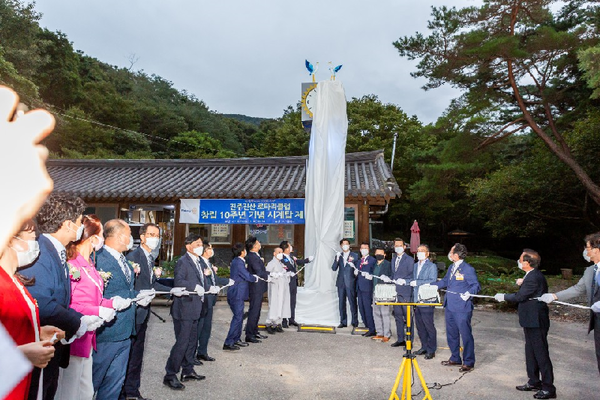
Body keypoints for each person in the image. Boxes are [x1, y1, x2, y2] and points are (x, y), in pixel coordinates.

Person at [22, 194, 103, 400]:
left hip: (53, 343)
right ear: (67, 224)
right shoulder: (40, 250)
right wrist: (77, 321)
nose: (79, 227)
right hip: (40, 343)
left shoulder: (55, 250)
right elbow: (43, 302)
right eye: (78, 222)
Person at [55, 215, 131, 400]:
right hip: (76, 334)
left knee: (85, 392)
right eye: (102, 235)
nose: (103, 240)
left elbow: (95, 298)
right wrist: (98, 311)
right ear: (92, 237)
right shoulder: (73, 264)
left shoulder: (90, 264)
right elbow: (71, 304)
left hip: (89, 336)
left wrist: (111, 303)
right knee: (70, 392)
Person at [0, 220, 65, 400]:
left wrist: (37, 332)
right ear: (11, 240)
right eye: (32, 236)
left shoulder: (14, 279)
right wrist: (21, 353)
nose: (36, 243)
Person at [93, 220, 149, 400]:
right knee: (93, 381)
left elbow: (125, 289)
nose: (132, 239)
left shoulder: (124, 259)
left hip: (125, 330)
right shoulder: (98, 259)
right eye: (129, 235)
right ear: (119, 236)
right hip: (107, 333)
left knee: (114, 383)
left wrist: (139, 295)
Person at [495, 249, 556, 400]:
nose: (518, 261)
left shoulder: (534, 277)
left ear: (527, 263)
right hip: (530, 319)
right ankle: (534, 381)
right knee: (531, 352)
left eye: (521, 259)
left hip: (536, 320)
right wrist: (523, 282)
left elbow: (521, 296)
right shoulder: (531, 275)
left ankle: (549, 388)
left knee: (541, 354)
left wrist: (503, 296)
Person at [122, 223, 172, 400]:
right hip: (134, 312)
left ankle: (133, 391)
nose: (154, 238)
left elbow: (151, 284)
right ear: (142, 237)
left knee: (137, 356)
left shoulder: (150, 257)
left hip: (144, 313)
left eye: (157, 235)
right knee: (128, 356)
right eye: (151, 234)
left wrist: (171, 290)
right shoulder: (134, 256)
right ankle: (124, 392)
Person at [541, 232, 600, 376]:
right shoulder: (590, 271)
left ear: (596, 250)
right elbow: (578, 289)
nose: (585, 252)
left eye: (587, 248)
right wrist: (554, 296)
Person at [163, 233, 206, 390]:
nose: (200, 247)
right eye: (197, 244)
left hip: (195, 307)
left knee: (191, 341)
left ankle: (187, 371)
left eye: (201, 244)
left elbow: (201, 281)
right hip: (184, 308)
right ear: (188, 246)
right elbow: (179, 281)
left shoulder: (198, 261)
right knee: (182, 343)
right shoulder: (183, 262)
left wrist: (209, 287)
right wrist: (194, 287)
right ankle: (170, 374)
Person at [432, 243, 480, 372]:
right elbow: (446, 281)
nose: (449, 254)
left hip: (462, 307)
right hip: (450, 306)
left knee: (465, 335)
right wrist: (433, 285)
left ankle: (469, 362)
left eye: (451, 252)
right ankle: (455, 358)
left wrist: (469, 293)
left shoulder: (467, 269)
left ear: (456, 255)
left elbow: (475, 285)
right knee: (451, 334)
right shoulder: (452, 267)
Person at [196, 242, 232, 363]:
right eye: (209, 248)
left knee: (207, 327)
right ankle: (192, 354)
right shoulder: (199, 262)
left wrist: (228, 280)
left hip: (210, 300)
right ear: (204, 250)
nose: (212, 251)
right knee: (198, 328)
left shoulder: (208, 263)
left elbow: (214, 280)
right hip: (203, 299)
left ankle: (202, 351)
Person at [223, 243, 259, 350]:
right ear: (242, 252)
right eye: (245, 250)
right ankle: (229, 342)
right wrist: (254, 278)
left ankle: (236, 339)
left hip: (239, 293)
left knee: (239, 317)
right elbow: (246, 275)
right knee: (238, 318)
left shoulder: (238, 261)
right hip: (236, 293)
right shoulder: (238, 262)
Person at [410, 244, 438, 360]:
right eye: (418, 251)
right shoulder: (415, 265)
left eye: (422, 251)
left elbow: (432, 280)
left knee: (428, 325)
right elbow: (413, 279)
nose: (419, 253)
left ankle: (431, 350)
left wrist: (418, 282)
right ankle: (424, 346)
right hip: (416, 299)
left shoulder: (432, 266)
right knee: (420, 325)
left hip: (427, 299)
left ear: (427, 254)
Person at [279, 241, 312, 328]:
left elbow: (298, 262)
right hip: (286, 281)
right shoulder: (281, 257)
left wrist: (308, 260)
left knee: (292, 300)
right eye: (290, 246)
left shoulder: (290, 257)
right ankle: (284, 320)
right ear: (286, 249)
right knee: (285, 300)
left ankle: (291, 319)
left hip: (293, 281)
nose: (291, 247)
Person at [244, 236, 270, 343]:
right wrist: (269, 275)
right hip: (255, 287)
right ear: (254, 246)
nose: (260, 244)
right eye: (258, 242)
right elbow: (258, 271)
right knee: (254, 311)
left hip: (259, 286)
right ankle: (250, 334)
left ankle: (254, 331)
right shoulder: (252, 256)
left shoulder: (256, 255)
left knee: (257, 310)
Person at [390, 238, 413, 348]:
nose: (398, 247)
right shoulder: (393, 259)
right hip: (396, 292)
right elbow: (393, 274)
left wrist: (405, 281)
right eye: (396, 245)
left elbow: (412, 275)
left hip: (405, 292)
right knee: (398, 316)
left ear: (404, 247)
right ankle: (400, 339)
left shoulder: (409, 260)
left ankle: (409, 341)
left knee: (408, 317)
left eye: (400, 245)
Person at [331, 239, 359, 328]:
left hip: (351, 282)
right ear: (341, 246)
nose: (345, 245)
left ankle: (355, 321)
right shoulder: (339, 255)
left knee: (352, 302)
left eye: (347, 244)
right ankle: (343, 321)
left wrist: (356, 272)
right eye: (343, 244)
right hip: (341, 282)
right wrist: (337, 259)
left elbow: (357, 268)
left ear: (349, 245)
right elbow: (334, 268)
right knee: (341, 303)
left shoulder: (355, 255)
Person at [265, 247, 291, 333]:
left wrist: (286, 274)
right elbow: (267, 274)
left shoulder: (281, 263)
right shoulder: (271, 263)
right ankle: (269, 323)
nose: (280, 253)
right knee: (273, 304)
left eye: (281, 252)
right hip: (274, 287)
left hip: (281, 288)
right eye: (278, 252)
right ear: (274, 253)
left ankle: (277, 323)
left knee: (280, 304)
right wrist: (274, 275)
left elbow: (284, 273)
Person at [355, 242, 376, 337]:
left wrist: (370, 275)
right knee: (361, 307)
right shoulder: (359, 261)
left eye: (365, 248)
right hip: (359, 287)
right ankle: (367, 326)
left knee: (368, 308)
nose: (363, 249)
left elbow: (374, 272)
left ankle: (372, 328)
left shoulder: (372, 260)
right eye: (362, 248)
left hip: (367, 287)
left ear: (368, 250)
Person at [371, 247, 392, 342]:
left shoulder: (388, 264)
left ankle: (387, 334)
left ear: (384, 255)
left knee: (385, 313)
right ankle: (379, 333)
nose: (378, 255)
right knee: (376, 313)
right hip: (375, 291)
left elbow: (392, 276)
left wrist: (387, 278)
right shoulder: (374, 264)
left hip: (384, 292)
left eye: (381, 253)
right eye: (377, 253)